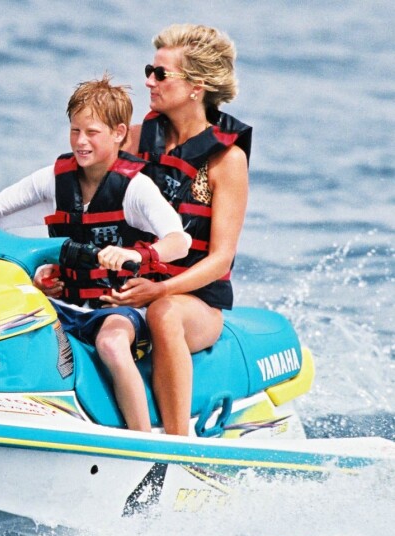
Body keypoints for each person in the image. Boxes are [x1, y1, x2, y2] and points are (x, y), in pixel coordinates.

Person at [0, 75, 190, 432]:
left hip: (117, 307)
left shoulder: (135, 187)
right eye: (74, 131)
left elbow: (179, 240)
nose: (81, 142)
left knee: (112, 345)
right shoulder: (54, 179)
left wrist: (137, 257)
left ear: (118, 133)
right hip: (64, 303)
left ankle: (143, 444)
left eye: (92, 133)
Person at [101, 24, 253, 436]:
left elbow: (221, 258)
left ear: (196, 87)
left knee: (163, 315)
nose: (149, 80)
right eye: (150, 69)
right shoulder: (131, 141)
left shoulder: (226, 161)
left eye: (161, 74)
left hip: (193, 302)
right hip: (135, 284)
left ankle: (175, 445)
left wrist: (161, 291)